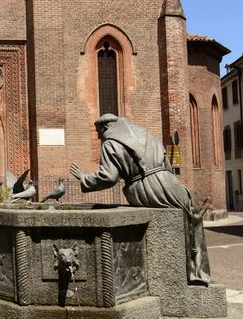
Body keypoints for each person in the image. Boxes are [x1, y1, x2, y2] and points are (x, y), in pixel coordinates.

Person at [70, 114, 211, 285]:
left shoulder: (111, 143)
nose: (100, 137)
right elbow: (166, 163)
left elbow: (109, 177)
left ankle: (184, 276)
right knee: (192, 217)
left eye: (99, 133)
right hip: (171, 183)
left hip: (145, 187)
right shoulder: (148, 136)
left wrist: (84, 178)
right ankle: (197, 272)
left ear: (107, 128)